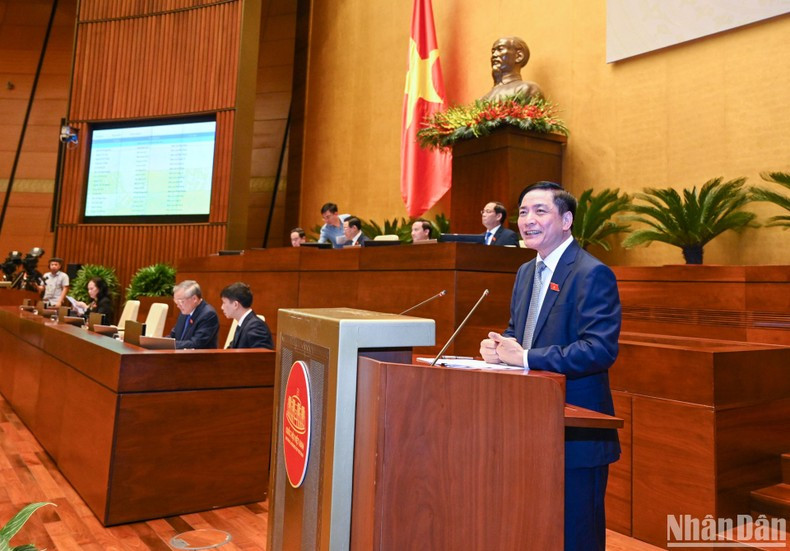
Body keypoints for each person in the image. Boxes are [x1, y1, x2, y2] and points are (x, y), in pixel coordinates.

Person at [479, 181, 621, 551]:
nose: (528, 220)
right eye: (524, 212)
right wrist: (499, 348)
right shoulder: (527, 271)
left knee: (577, 534)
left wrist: (523, 357)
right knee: (535, 526)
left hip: (576, 430)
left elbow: (599, 350)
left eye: (540, 211)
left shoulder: (592, 273)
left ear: (566, 220)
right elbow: (519, 332)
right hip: (530, 424)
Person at [480, 36, 543, 103]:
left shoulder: (527, 89)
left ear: (519, 56)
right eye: (493, 52)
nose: (494, 55)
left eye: (500, 49)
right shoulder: (482, 100)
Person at [219, 282, 274, 349]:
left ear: (235, 304)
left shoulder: (256, 326)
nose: (222, 307)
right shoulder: (244, 323)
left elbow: (261, 357)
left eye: (224, 303)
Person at [169, 280, 219, 349]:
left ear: (194, 299)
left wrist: (171, 345)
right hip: (180, 356)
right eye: (176, 301)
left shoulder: (208, 315)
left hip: (199, 358)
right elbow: (173, 335)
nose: (178, 306)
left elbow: (196, 343)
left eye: (181, 302)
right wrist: (160, 343)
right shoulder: (185, 312)